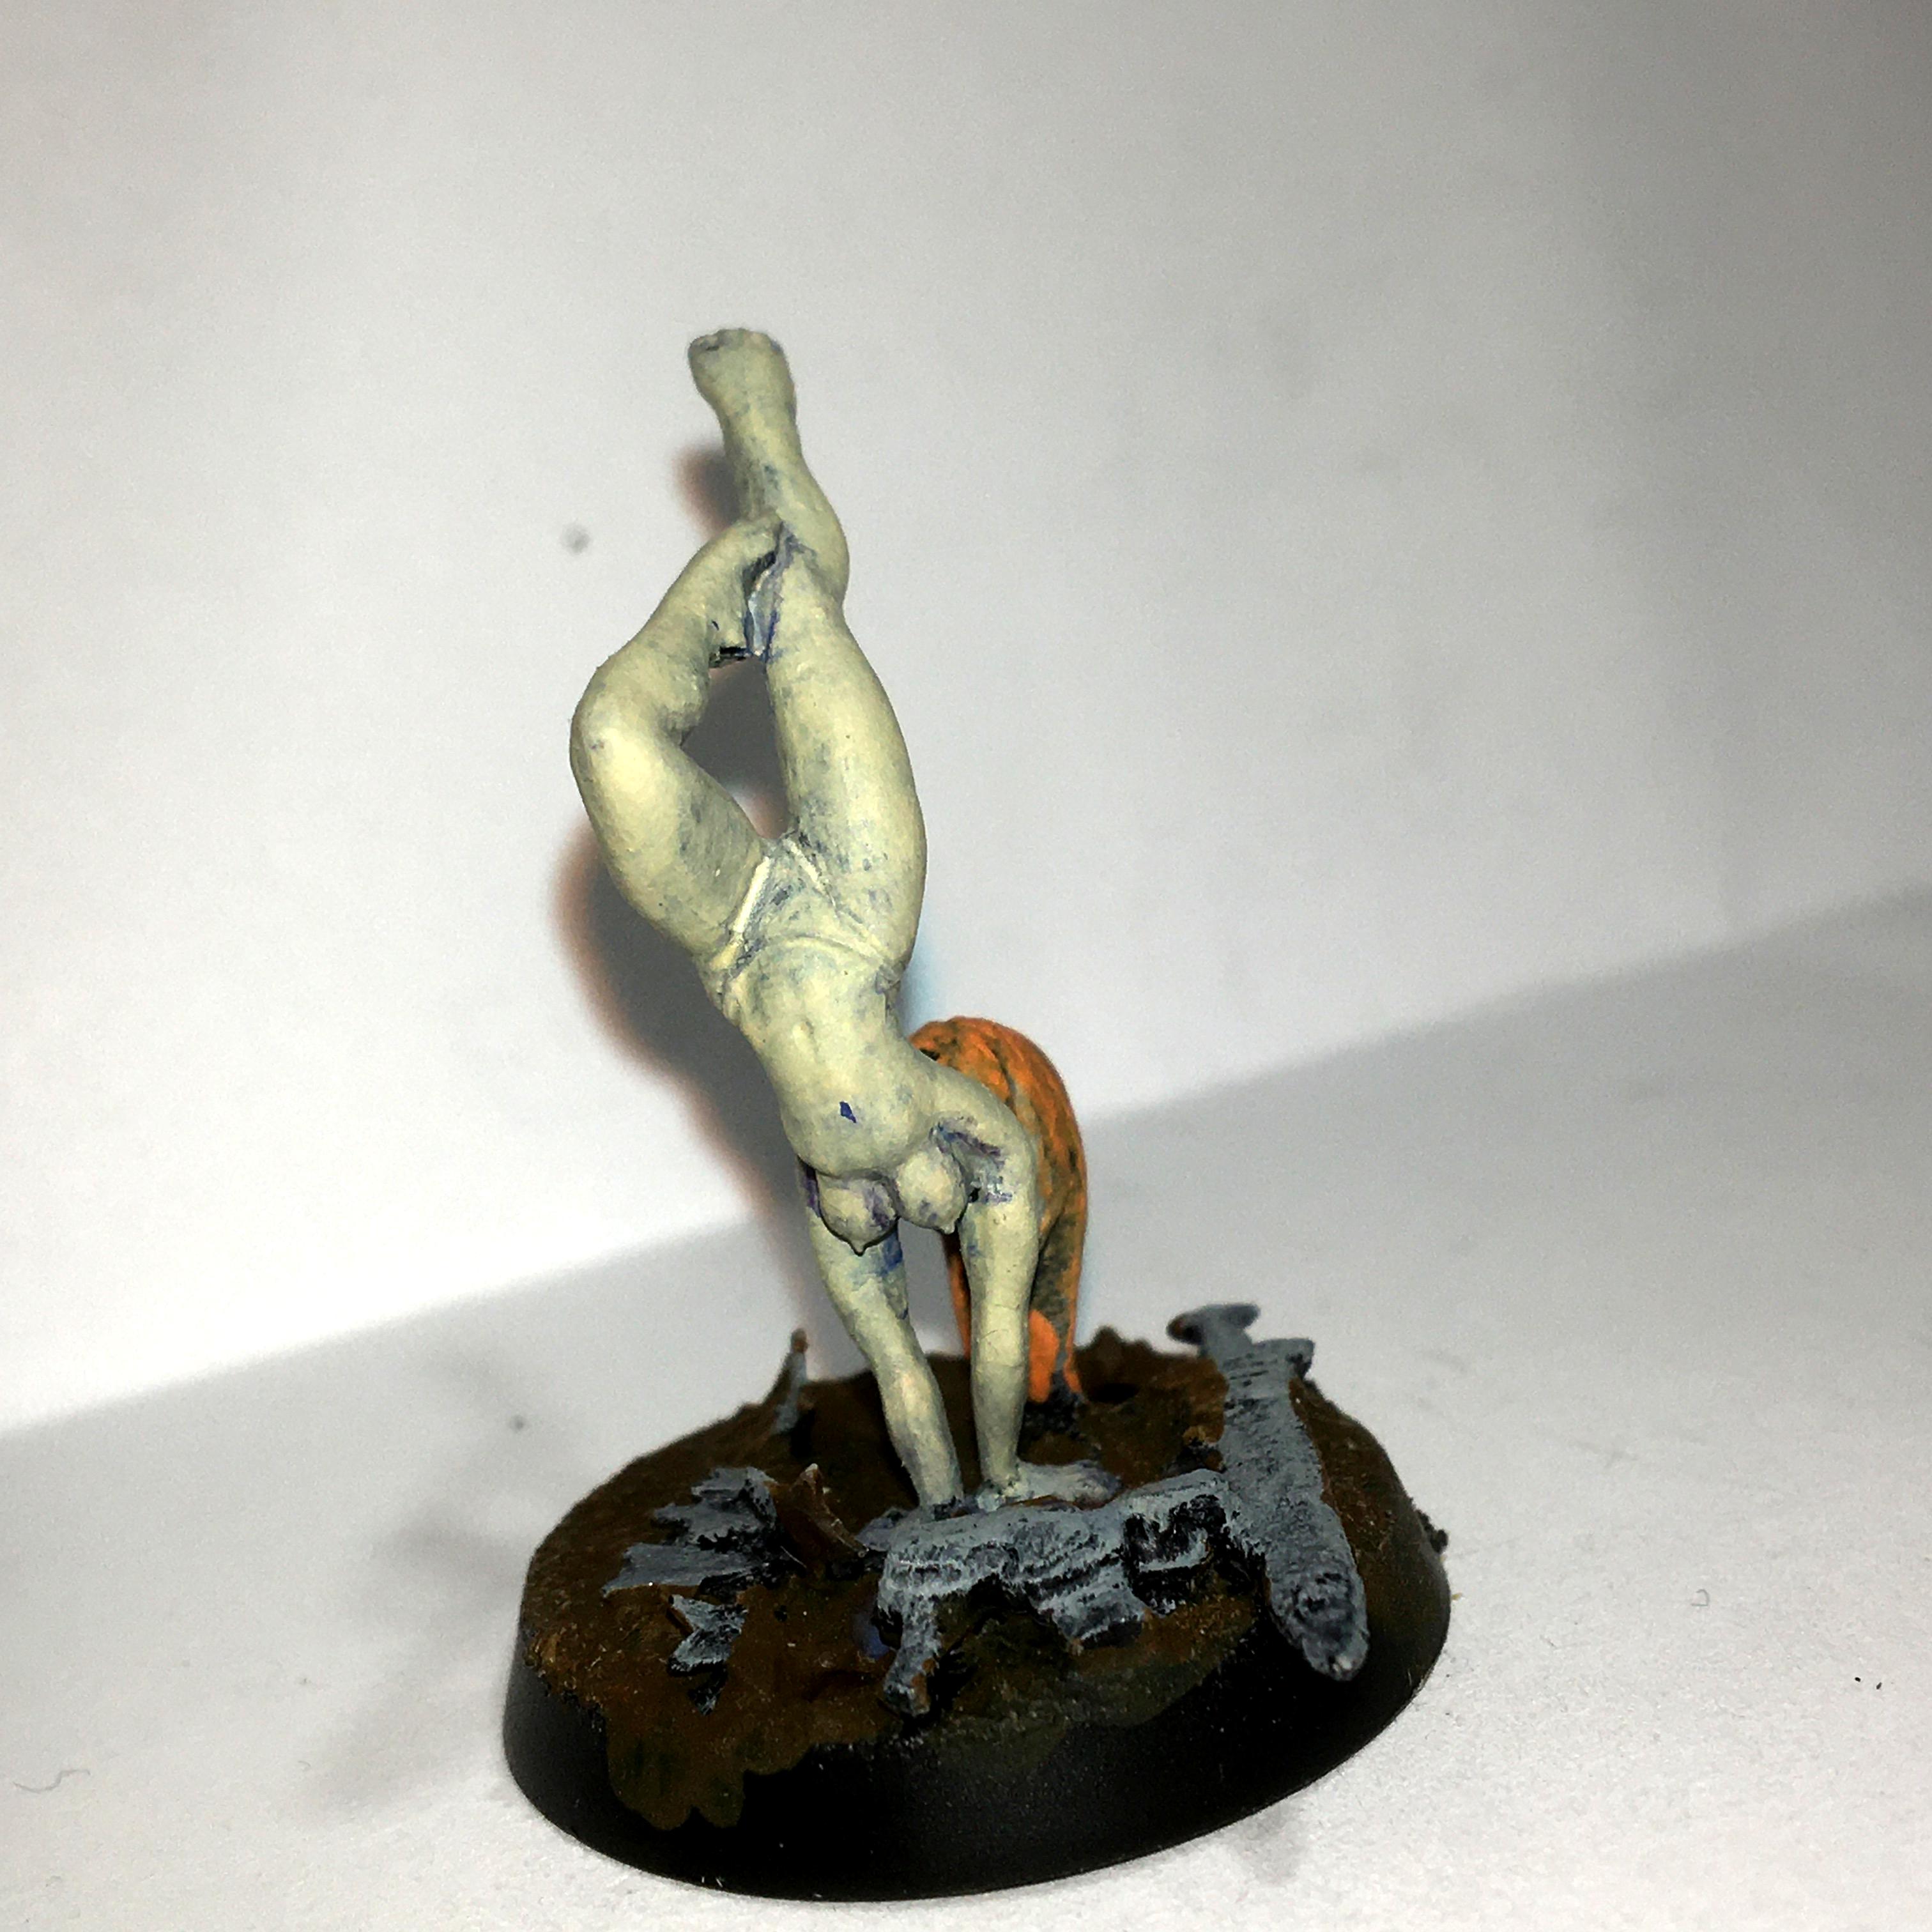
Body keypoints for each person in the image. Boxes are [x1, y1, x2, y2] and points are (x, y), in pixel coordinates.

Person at [571, 331, 1103, 1510]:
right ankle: (759, 421)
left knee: (610, 737)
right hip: (860, 914)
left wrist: (982, 1495)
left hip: (742, 942)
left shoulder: (833, 1204)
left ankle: (729, 565)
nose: (922, 1221)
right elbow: (995, 1325)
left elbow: (920, 1373)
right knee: (801, 604)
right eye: (942, 1213)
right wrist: (1009, 1475)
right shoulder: (989, 1142)